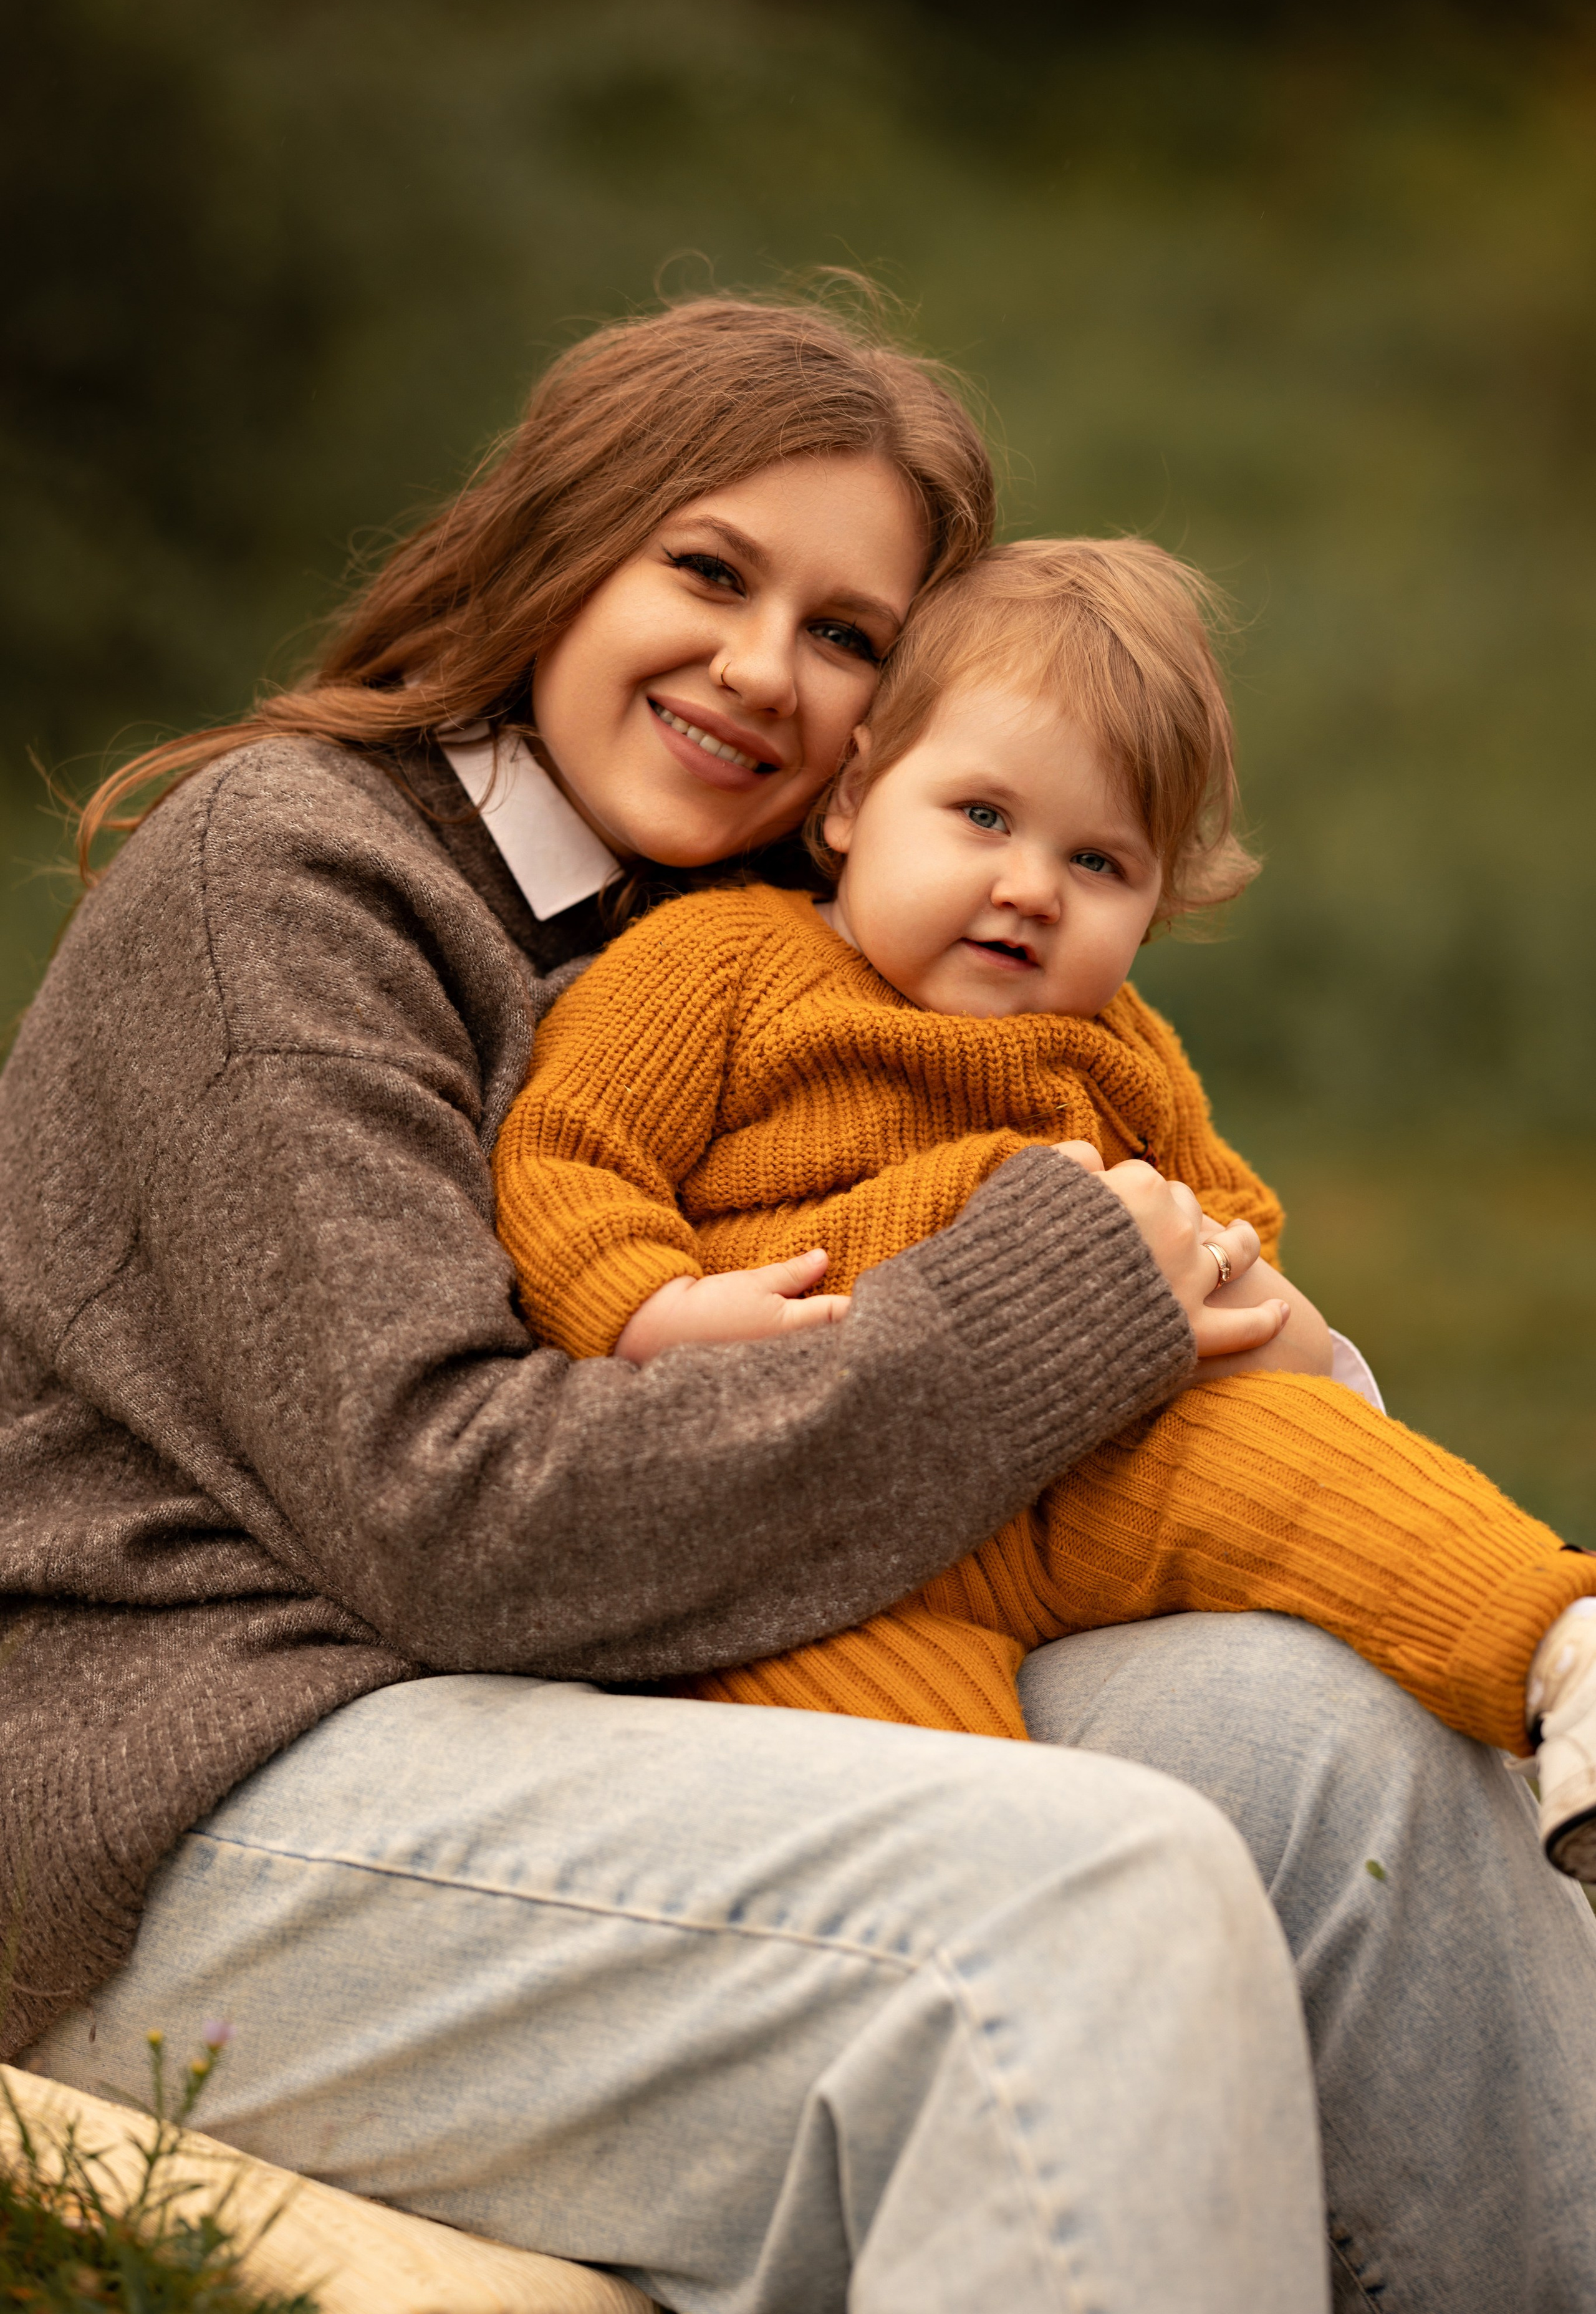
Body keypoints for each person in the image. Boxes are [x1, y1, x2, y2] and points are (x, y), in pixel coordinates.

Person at [4, 291, 1595, 2314]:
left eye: (847, 634)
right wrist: (1045, 1304)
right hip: (209, 1774)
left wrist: (1263, 1343)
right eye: (707, 569)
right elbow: (451, 1516)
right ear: (552, 550)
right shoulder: (291, 880)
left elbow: (1125, 1283)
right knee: (1094, 1887)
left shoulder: (796, 921)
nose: (763, 669)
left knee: (1340, 1729)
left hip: (626, 1699)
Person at [493, 533, 1596, 1868]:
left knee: (1293, 1477)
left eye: (1099, 864)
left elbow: (1232, 1238)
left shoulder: (1114, 1046)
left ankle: (1557, 1657)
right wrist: (650, 1309)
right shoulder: (718, 962)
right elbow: (567, 1154)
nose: (1027, 887)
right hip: (801, 1509)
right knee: (958, 1818)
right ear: (849, 801)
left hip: (1075, 1479)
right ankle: (1042, 1925)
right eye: (982, 817)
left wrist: (1271, 1329)